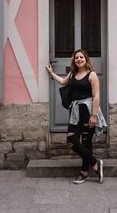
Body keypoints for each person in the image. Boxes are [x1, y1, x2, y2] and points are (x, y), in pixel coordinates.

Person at [45, 49, 106, 184]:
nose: (79, 59)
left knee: (86, 142)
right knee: (71, 141)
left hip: (87, 110)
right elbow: (63, 82)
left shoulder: (92, 75)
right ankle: (96, 164)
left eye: (81, 57)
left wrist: (94, 116)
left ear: (86, 59)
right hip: (74, 111)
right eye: (76, 57)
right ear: (74, 60)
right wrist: (51, 73)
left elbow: (96, 96)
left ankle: (84, 173)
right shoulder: (72, 73)